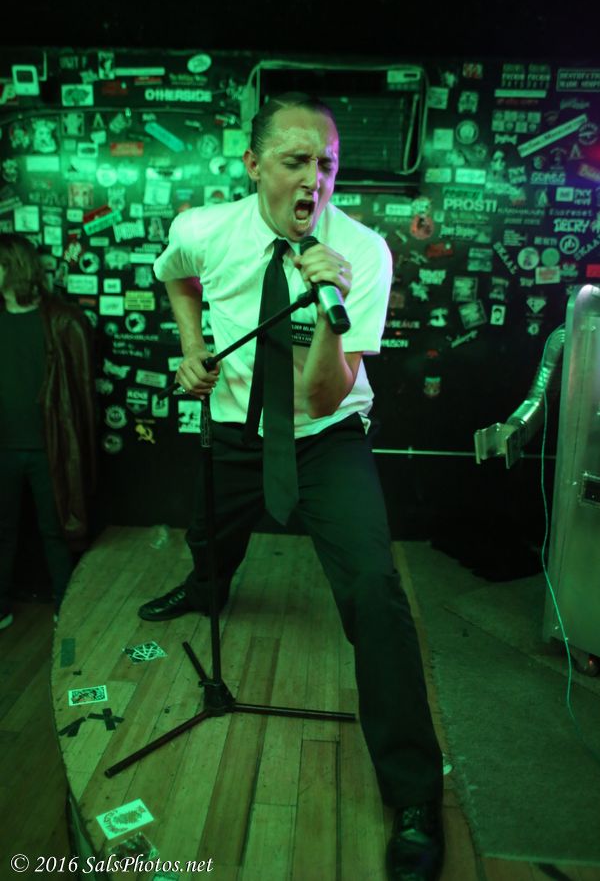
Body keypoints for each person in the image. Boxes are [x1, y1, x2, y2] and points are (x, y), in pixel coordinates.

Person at [139, 93, 445, 880]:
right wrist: (192, 346)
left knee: (374, 588)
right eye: (296, 160)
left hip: (325, 435)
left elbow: (322, 394)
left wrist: (328, 308)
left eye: (328, 164)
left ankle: (415, 795)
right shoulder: (204, 229)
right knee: (205, 531)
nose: (315, 179)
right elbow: (174, 277)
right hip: (236, 425)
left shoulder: (362, 253)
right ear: (253, 164)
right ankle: (207, 585)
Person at [0, 233, 96, 629]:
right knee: (2, 532)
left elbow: (80, 396)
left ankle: (64, 608)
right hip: (3, 449)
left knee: (57, 530)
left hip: (49, 447)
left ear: (12, 267)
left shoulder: (61, 320)